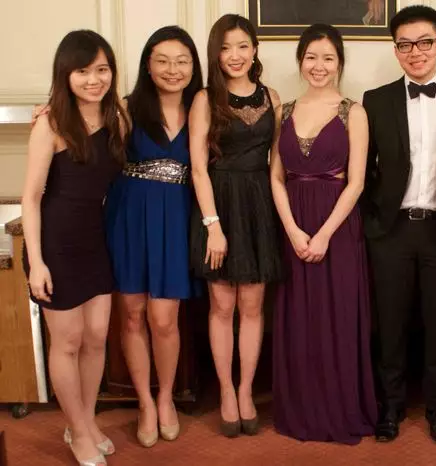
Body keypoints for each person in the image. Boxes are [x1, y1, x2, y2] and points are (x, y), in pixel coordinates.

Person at [362, 5, 436, 445]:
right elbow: (363, 169)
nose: (416, 52)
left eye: (424, 42)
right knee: (390, 324)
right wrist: (373, 221)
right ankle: (391, 406)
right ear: (395, 50)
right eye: (405, 44)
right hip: (391, 231)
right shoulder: (376, 100)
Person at [21, 30, 126, 466]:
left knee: (97, 338)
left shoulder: (118, 117)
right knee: (67, 342)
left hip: (94, 240)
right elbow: (31, 198)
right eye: (83, 71)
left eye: (102, 69)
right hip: (56, 244)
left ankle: (84, 420)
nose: (93, 79)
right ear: (66, 74)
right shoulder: (51, 124)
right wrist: (37, 263)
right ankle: (79, 433)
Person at [271, 23, 377, 445]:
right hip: (293, 224)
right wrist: (293, 231)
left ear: (339, 63)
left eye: (328, 58)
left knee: (337, 316)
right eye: (311, 57)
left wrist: (323, 235)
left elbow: (357, 182)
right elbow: (275, 177)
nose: (319, 66)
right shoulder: (283, 111)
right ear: (300, 61)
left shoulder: (355, 112)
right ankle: (301, 406)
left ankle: (339, 407)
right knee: (300, 318)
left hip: (338, 227)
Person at [103, 26, 203, 447]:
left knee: (164, 318)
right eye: (162, 60)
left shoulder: (202, 107)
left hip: (177, 219)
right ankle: (144, 401)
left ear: (194, 65)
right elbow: (82, 126)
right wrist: (48, 111)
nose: (172, 69)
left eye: (182, 61)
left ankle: (166, 398)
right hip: (130, 216)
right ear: (148, 64)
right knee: (132, 314)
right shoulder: (126, 109)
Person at [189, 14, 283, 437]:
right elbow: (198, 167)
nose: (235, 55)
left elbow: (277, 162)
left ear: (255, 48)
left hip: (259, 205)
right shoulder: (205, 99)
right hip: (220, 205)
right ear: (216, 53)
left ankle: (246, 390)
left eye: (243, 45)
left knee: (253, 307)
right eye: (225, 48)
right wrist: (213, 226)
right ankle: (226, 391)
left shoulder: (273, 97)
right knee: (222, 307)